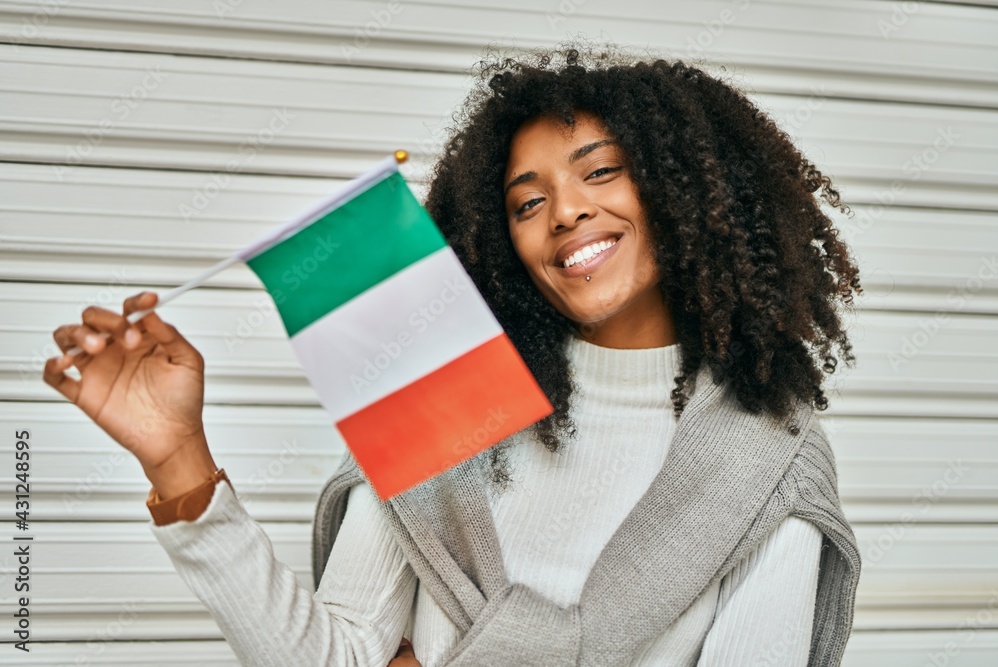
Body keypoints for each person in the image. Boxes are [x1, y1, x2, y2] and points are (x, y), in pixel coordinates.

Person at [44, 46, 863, 666]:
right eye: (527, 202)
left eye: (601, 172)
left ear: (686, 190)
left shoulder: (768, 460)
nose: (567, 213)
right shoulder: (443, 396)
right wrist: (179, 459)